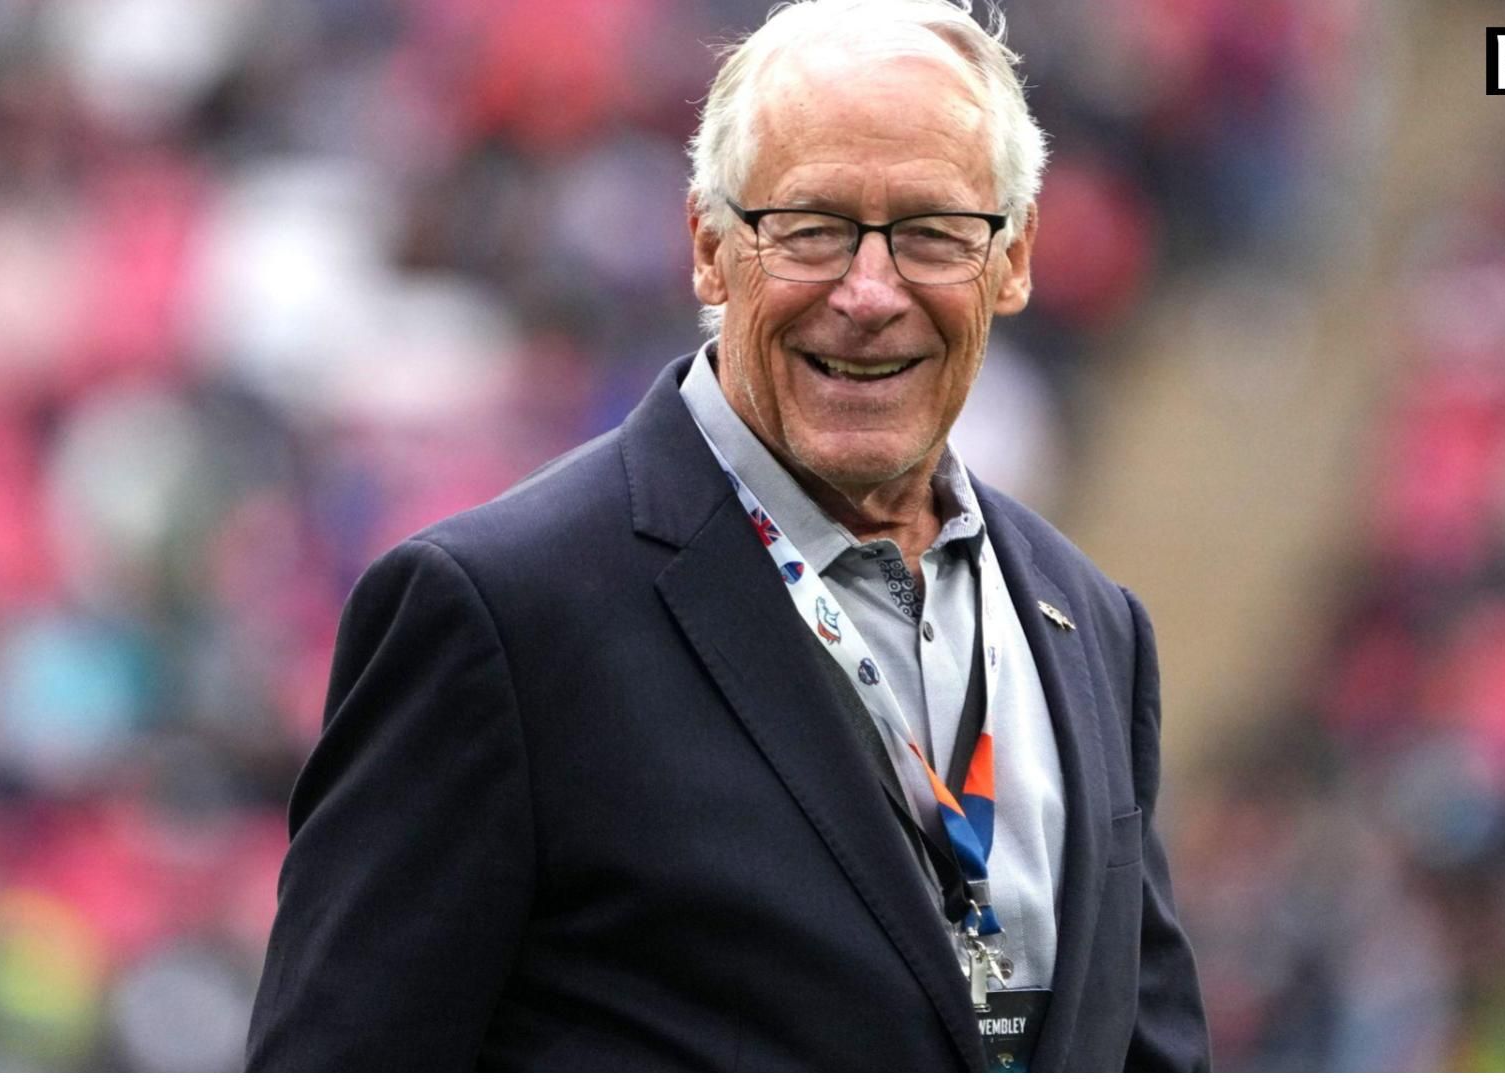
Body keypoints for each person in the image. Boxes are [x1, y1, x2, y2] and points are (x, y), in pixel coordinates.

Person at [246, 0, 1207, 1069]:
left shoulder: (1094, 631)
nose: (870, 291)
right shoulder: (500, 618)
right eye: (812, 227)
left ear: (1015, 259)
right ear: (709, 247)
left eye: (934, 232)